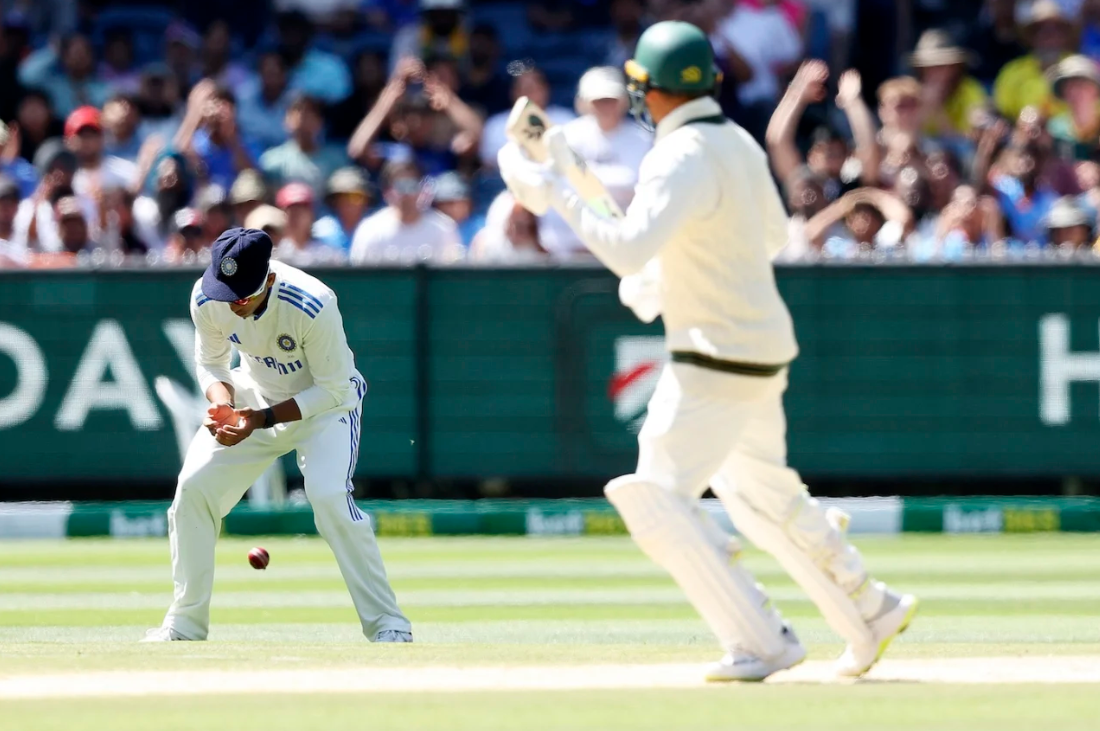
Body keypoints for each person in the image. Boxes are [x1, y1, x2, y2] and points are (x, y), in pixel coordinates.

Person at [496, 21, 916, 682]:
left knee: (653, 495)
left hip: (714, 358)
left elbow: (628, 246)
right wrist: (671, 274)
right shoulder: (737, 143)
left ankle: (761, 639)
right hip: (758, 350)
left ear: (652, 91)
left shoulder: (679, 153)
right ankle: (869, 605)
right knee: (761, 495)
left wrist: (557, 193)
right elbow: (768, 236)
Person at [141, 228, 412, 643]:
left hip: (326, 409)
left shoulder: (312, 303)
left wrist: (260, 418)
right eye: (225, 292)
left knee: (328, 497)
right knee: (192, 490)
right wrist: (224, 405)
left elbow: (334, 389)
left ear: (268, 279)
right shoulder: (208, 297)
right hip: (255, 396)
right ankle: (184, 625)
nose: (233, 303)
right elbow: (210, 364)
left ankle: (388, 624)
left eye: (242, 296)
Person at [349, 160, 463, 263]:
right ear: (387, 191)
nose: (406, 194)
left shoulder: (443, 228)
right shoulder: (370, 230)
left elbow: (453, 278)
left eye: (411, 185)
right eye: (400, 186)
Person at [994, 0, 1075, 121]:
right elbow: (1002, 114)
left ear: (1064, 35)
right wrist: (1024, 120)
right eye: (1041, 29)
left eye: (1055, 29)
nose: (1049, 35)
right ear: (1032, 37)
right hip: (1023, 134)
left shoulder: (1078, 67)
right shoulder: (1013, 71)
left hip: (1069, 137)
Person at [479, 68, 574, 170]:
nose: (528, 95)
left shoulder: (566, 119)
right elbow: (489, 162)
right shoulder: (496, 124)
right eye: (522, 90)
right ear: (513, 92)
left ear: (545, 90)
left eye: (532, 89)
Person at [174, 81, 261, 191]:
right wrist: (195, 114)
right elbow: (178, 153)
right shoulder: (198, 141)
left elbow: (251, 175)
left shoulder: (248, 141)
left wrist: (230, 134)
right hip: (206, 204)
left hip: (238, 203)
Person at [259, 95, 349, 197]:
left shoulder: (336, 160)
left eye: (310, 112)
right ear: (285, 120)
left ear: (320, 122)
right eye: (297, 110)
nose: (302, 116)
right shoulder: (272, 161)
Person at [909, 30, 989, 141]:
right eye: (931, 67)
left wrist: (938, 111)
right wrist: (925, 107)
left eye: (944, 66)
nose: (938, 73)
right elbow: (906, 137)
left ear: (955, 67)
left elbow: (967, 142)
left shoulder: (969, 89)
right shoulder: (909, 93)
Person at [65, 106, 138, 202]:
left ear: (103, 138)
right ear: (69, 141)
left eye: (93, 135)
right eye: (83, 136)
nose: (88, 141)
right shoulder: (65, 178)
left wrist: (126, 195)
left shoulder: (124, 170)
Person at [273, 182, 343, 264]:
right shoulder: (275, 254)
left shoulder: (327, 254)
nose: (295, 217)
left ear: (311, 215)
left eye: (300, 211)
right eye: (291, 212)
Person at [238, 51, 294, 152]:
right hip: (249, 157)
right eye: (267, 74)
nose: (271, 79)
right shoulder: (245, 98)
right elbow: (242, 133)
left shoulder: (295, 101)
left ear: (283, 75)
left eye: (275, 74)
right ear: (260, 75)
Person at [1047, 55, 1100, 162]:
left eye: (1082, 85)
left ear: (1096, 90)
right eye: (1069, 87)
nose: (1076, 92)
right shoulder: (1055, 130)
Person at [313, 167, 372, 253]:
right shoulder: (320, 232)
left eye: (356, 196)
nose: (349, 203)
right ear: (335, 200)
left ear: (366, 201)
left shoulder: (376, 230)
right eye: (343, 196)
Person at [430, 171, 481, 246]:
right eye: (443, 204)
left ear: (468, 203)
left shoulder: (480, 227)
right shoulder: (432, 227)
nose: (448, 209)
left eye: (452, 203)